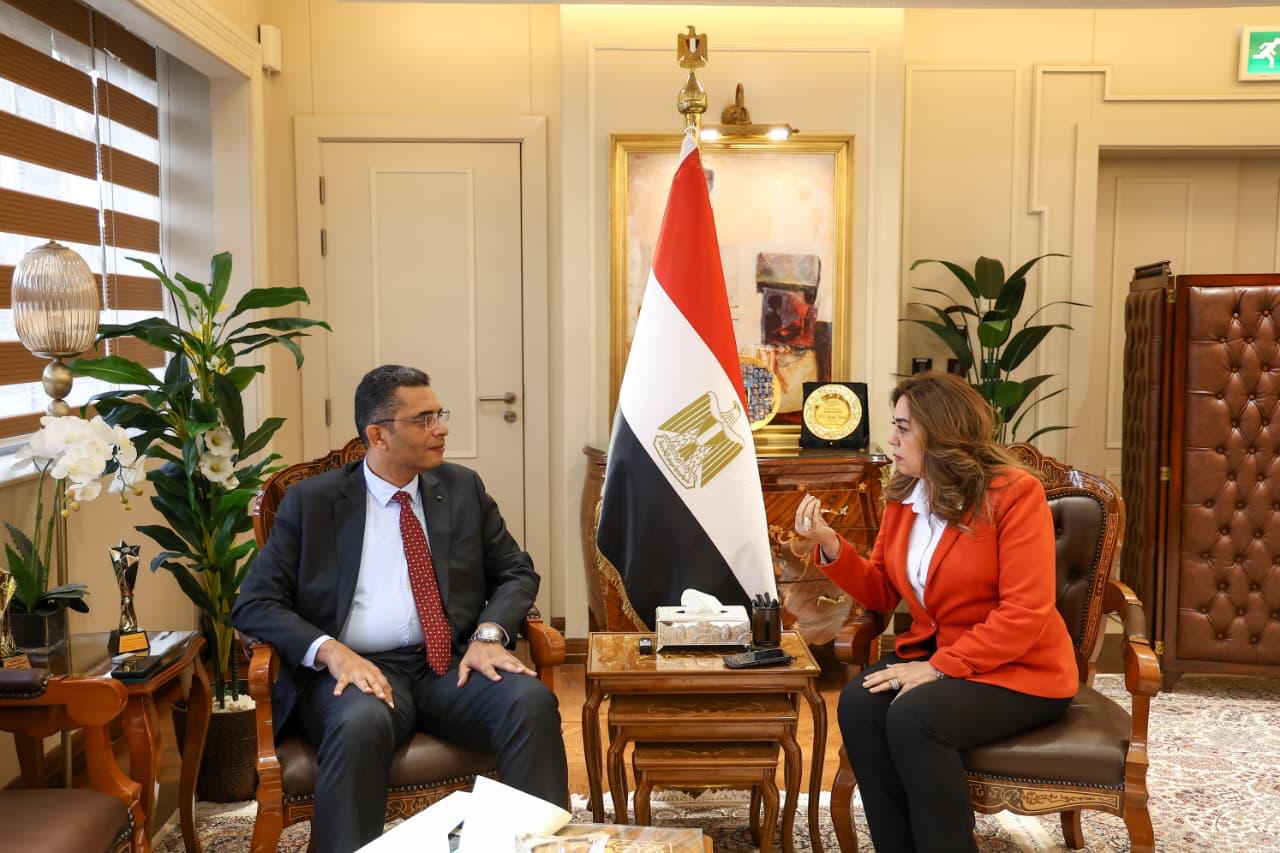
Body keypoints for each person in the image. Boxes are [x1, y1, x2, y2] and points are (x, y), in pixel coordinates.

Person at [233, 365, 568, 853]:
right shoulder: (313, 503)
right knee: (359, 723)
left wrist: (489, 634)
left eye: (440, 414)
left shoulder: (462, 488)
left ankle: (533, 848)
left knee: (529, 702)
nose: (442, 428)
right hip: (359, 673)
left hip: (449, 666)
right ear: (378, 435)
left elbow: (516, 570)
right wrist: (331, 652)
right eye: (424, 419)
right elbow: (254, 603)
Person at [791, 371, 1077, 853]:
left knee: (914, 717)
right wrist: (830, 544)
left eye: (903, 427)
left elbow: (1026, 611)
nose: (891, 438)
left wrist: (939, 668)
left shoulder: (1015, 494)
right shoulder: (906, 494)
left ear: (940, 432)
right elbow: (882, 591)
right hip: (943, 658)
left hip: (1020, 670)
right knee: (859, 704)